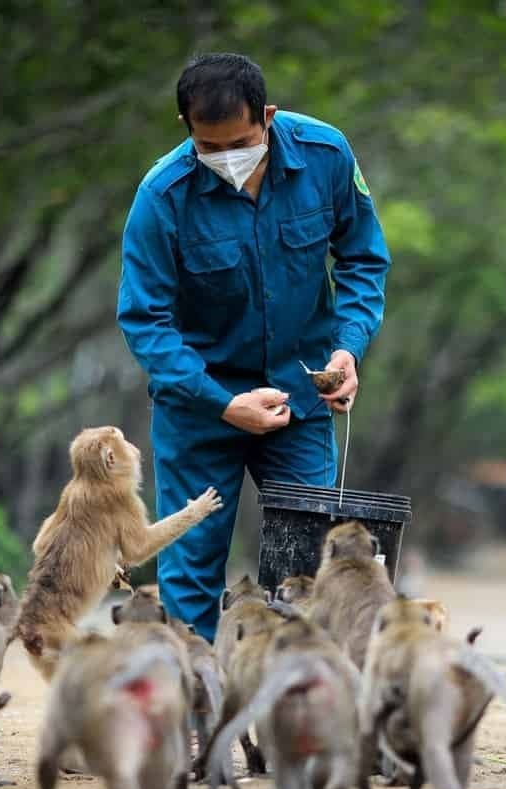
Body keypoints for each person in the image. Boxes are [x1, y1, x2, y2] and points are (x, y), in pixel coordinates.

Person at [116, 53, 390, 641]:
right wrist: (220, 401)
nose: (225, 160)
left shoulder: (326, 155)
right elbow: (146, 321)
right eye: (208, 148)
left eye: (239, 142)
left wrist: (347, 350)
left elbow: (363, 258)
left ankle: (302, 712)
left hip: (300, 399)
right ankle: (196, 718)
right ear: (186, 128)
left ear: (267, 115)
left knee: (310, 566)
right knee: (189, 570)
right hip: (200, 408)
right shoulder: (161, 196)